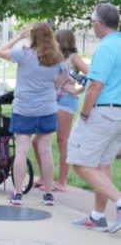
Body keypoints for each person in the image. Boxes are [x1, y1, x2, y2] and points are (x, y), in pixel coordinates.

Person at [0, 22, 64, 207]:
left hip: (24, 109)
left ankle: (17, 194)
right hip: (47, 109)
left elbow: (0, 51)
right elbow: (59, 84)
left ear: (32, 36)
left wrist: (19, 37)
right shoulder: (57, 58)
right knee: (46, 151)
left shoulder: (24, 53)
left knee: (21, 151)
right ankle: (48, 194)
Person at [69, 3, 121, 233]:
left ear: (99, 24)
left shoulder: (105, 48)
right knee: (102, 164)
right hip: (118, 114)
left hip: (102, 111)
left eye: (93, 22)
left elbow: (96, 86)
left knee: (79, 163)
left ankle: (119, 203)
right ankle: (97, 216)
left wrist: (85, 112)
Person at [45, 29, 89, 192]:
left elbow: (90, 76)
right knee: (41, 140)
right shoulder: (56, 57)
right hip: (52, 99)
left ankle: (62, 182)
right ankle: (45, 178)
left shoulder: (73, 58)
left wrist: (76, 90)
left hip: (66, 100)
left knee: (62, 141)